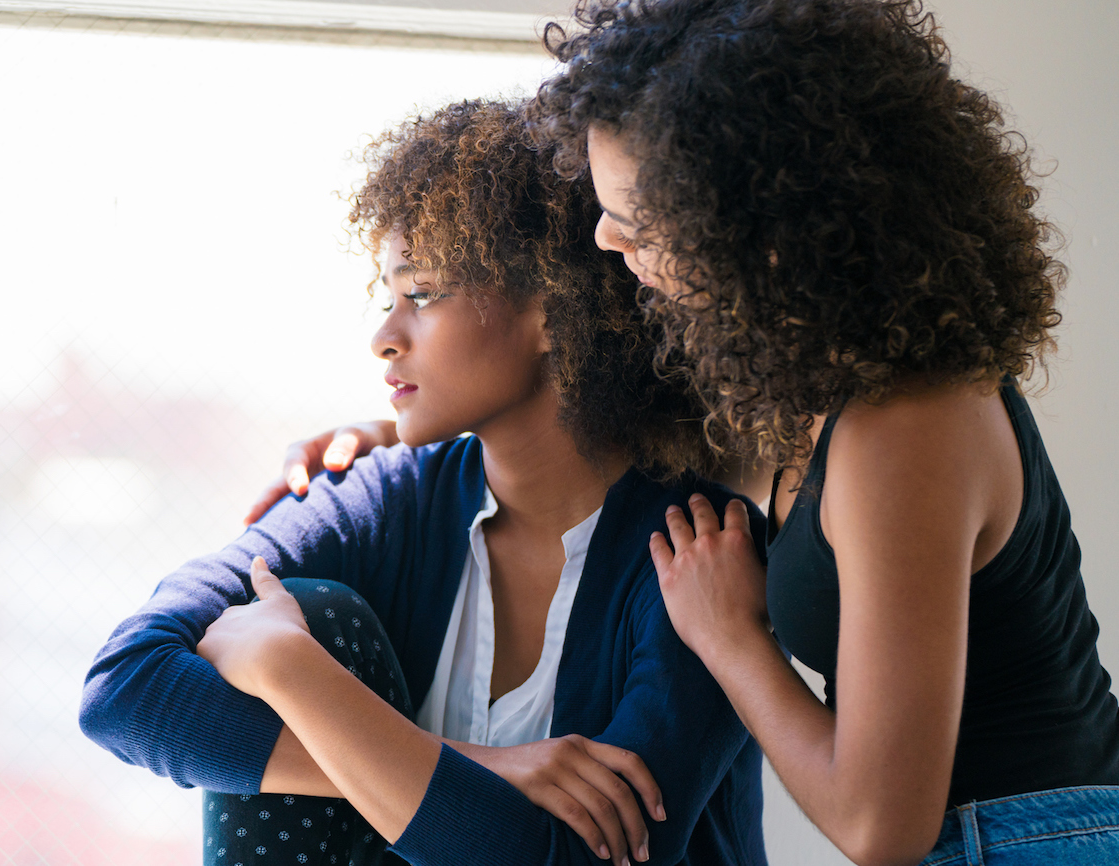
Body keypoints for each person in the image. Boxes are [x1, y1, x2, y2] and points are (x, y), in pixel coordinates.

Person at [80, 100, 767, 866]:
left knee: (297, 634)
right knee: (314, 611)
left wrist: (293, 673)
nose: (384, 337)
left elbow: (594, 857)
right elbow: (124, 687)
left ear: (551, 308)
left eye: (424, 293)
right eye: (388, 299)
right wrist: (483, 764)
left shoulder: (705, 550)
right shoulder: (382, 499)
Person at [522, 1, 1119, 864]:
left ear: (765, 235)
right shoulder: (800, 388)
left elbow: (881, 827)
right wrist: (395, 443)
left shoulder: (905, 426)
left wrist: (732, 639)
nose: (605, 237)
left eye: (639, 221)